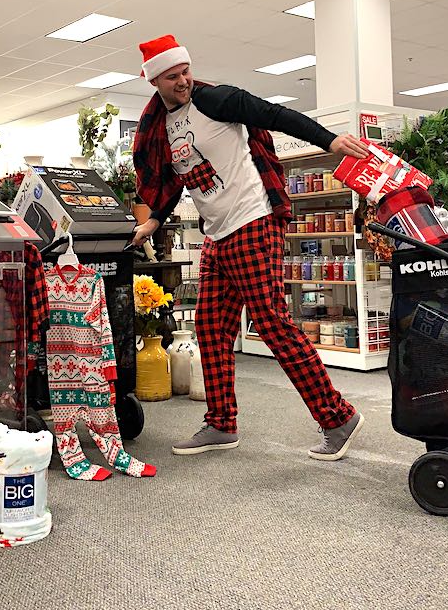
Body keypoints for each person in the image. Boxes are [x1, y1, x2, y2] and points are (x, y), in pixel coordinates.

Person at [131, 34, 368, 461]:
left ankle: (338, 417)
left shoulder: (215, 100)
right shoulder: (160, 128)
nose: (183, 80)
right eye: (172, 76)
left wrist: (329, 141)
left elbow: (275, 114)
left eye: (185, 71)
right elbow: (173, 180)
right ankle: (221, 423)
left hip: (254, 219)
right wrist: (154, 221)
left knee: (273, 324)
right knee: (210, 327)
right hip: (218, 233)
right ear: (154, 81)